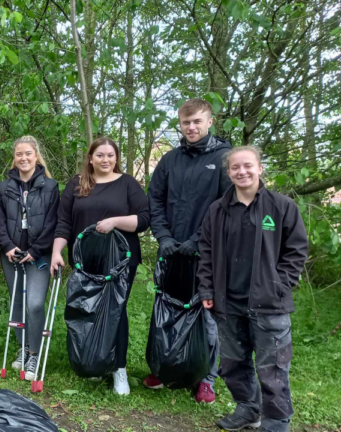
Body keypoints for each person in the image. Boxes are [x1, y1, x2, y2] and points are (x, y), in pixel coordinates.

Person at [199, 146, 308, 432]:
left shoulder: (282, 207)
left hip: (269, 304)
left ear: (260, 168)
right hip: (228, 302)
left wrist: (279, 285)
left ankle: (275, 423)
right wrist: (207, 290)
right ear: (229, 172)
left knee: (273, 369)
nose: (242, 171)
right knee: (233, 365)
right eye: (235, 167)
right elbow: (206, 253)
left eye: (248, 165)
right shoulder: (217, 210)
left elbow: (296, 251)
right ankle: (248, 409)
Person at [145, 98, 232, 403]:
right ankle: (164, 367)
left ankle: (206, 377)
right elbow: (154, 199)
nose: (191, 127)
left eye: (197, 121)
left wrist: (198, 239)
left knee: (207, 317)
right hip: (170, 251)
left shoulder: (224, 158)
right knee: (165, 311)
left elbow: (225, 206)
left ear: (210, 122)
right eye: (186, 122)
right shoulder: (170, 160)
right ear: (179, 125)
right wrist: (164, 237)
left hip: (206, 253)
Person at [51, 137, 150, 395]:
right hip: (86, 259)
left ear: (116, 157)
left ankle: (119, 369)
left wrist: (115, 221)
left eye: (110, 155)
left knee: (115, 311)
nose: (105, 160)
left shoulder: (127, 184)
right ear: (90, 158)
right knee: (89, 309)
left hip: (120, 259)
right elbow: (63, 222)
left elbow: (144, 219)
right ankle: (95, 362)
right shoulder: (77, 184)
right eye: (100, 155)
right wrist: (56, 252)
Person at [0, 135, 60, 381]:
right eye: (19, 154)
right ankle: (22, 349)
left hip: (38, 256)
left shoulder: (51, 187)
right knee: (17, 303)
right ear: (15, 157)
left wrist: (35, 250)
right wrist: (8, 246)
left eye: (28, 154)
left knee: (34, 303)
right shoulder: (4, 188)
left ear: (36, 156)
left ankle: (35, 352)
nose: (23, 158)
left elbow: (54, 223)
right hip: (11, 255)